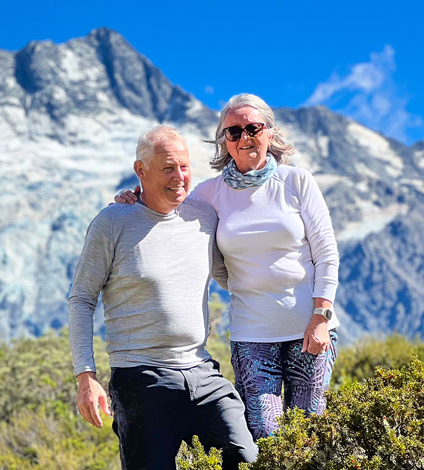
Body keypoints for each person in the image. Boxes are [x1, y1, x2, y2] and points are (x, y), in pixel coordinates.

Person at [116, 93, 341, 440]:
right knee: (265, 438)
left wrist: (320, 317)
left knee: (307, 438)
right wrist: (135, 197)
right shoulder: (209, 194)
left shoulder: (297, 182)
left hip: (309, 330)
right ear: (224, 141)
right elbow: (166, 206)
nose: (244, 137)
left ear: (269, 132)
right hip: (252, 336)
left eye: (253, 128)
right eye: (233, 132)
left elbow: (326, 252)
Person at [69, 125, 257, 469]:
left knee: (246, 458)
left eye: (184, 166)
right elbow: (81, 298)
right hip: (140, 378)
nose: (179, 177)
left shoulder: (204, 217)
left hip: (202, 372)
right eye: (168, 168)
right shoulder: (113, 222)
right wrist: (86, 376)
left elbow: (232, 277)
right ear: (141, 171)